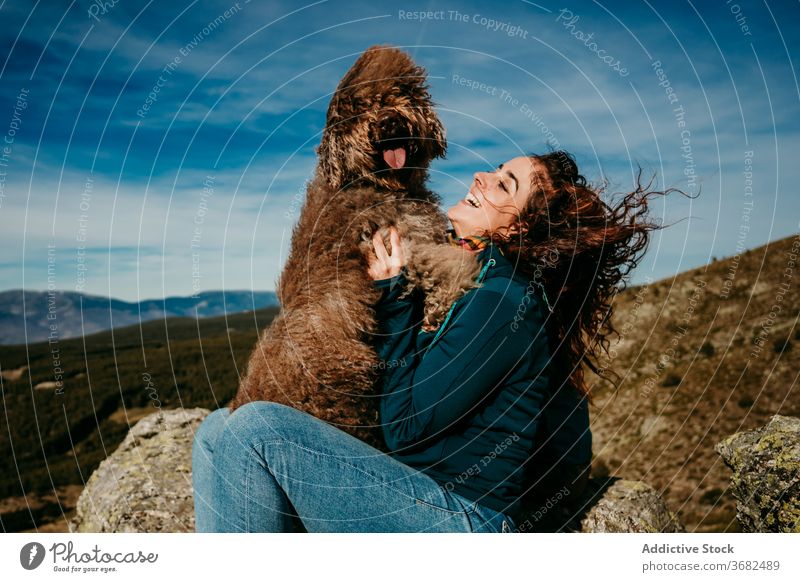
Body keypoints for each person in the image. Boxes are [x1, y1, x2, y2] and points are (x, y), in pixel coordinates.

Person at [191, 150, 672, 532]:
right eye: (497, 169)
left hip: (464, 523)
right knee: (216, 431)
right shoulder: (483, 283)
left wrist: (394, 296)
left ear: (521, 227)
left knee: (258, 430)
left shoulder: (504, 303)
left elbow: (404, 426)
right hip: (419, 497)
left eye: (506, 183)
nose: (482, 176)